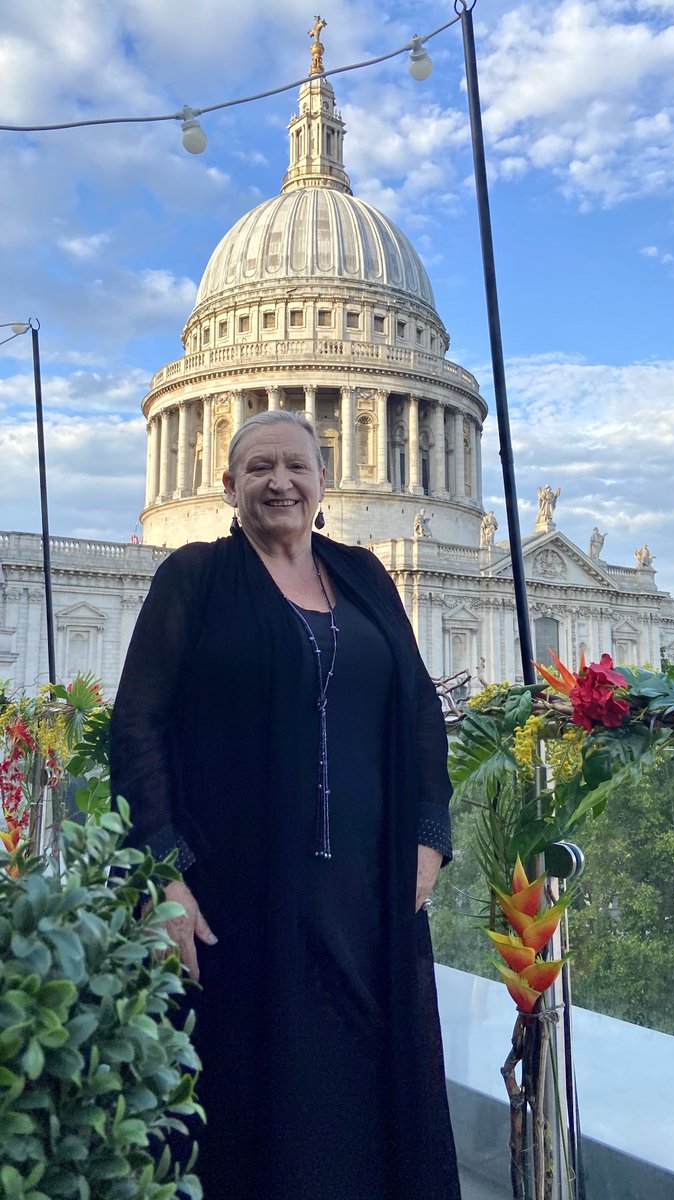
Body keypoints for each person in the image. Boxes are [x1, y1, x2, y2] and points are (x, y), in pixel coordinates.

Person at [110, 411, 460, 1200]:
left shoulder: (366, 574)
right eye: (259, 468)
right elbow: (137, 728)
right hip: (239, 894)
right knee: (248, 1103)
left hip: (367, 897)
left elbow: (419, 712)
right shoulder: (194, 576)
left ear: (322, 480)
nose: (280, 482)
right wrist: (164, 877)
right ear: (227, 484)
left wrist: (429, 838)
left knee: (370, 1103)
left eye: (296, 466)